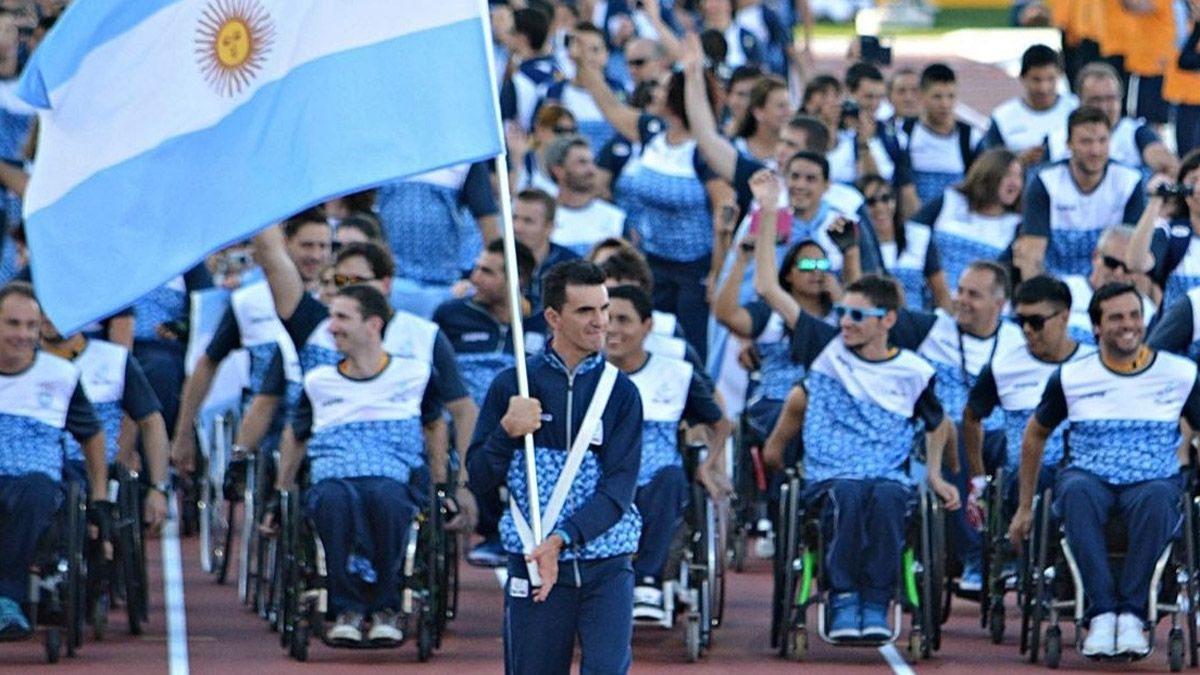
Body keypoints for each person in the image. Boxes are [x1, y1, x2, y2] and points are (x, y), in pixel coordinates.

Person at [467, 260, 644, 675]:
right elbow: (478, 476)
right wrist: (506, 433)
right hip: (531, 559)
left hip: (606, 561)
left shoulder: (621, 393)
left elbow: (619, 489)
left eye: (604, 308)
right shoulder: (513, 385)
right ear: (553, 317)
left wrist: (565, 537)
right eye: (586, 311)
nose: (602, 322)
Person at [1009, 282, 1200, 658]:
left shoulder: (1179, 373)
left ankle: (1131, 613)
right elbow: (1035, 435)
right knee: (1076, 492)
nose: (1127, 325)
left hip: (1153, 477)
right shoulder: (1072, 376)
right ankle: (1101, 613)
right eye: (1116, 318)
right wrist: (1025, 506)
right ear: (1097, 327)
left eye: (1134, 316)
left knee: (1161, 497)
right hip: (1089, 474)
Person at [760, 273, 948, 641]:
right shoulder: (826, 349)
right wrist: (768, 215)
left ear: (888, 320)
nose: (846, 321)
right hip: (830, 474)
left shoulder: (914, 371)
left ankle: (877, 601)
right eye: (843, 312)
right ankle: (843, 598)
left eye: (858, 315)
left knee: (889, 496)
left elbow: (938, 424)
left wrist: (936, 474)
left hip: (887, 474)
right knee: (846, 493)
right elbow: (768, 288)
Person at [252, 229, 478, 526]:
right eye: (341, 281)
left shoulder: (423, 336)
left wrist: (460, 483)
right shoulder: (318, 326)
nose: (347, 289)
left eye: (357, 281)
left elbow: (461, 410)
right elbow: (272, 259)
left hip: (403, 462)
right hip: (328, 456)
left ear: (385, 284)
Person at [284, 284, 443, 645]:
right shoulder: (318, 381)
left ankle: (387, 606)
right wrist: (282, 487)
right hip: (332, 474)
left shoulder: (415, 374)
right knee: (334, 501)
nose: (331, 326)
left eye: (342, 317)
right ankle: (347, 609)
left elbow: (435, 425)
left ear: (373, 324)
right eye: (331, 316)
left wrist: (443, 482)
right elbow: (296, 434)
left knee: (388, 499)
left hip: (393, 471)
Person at [604, 284, 729, 621]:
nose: (613, 328)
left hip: (658, 477)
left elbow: (720, 423)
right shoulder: (585, 373)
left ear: (647, 326)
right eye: (607, 318)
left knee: (672, 479)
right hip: (600, 475)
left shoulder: (676, 374)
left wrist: (709, 465)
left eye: (623, 320)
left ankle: (648, 580)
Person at [172, 209, 330, 473]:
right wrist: (184, 433)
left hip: (322, 418)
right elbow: (208, 363)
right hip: (263, 426)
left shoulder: (342, 307)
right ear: (286, 244)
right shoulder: (248, 301)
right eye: (307, 245)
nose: (316, 255)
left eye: (324, 246)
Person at [0, 282, 107, 638]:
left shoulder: (60, 377)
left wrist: (101, 497)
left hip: (34, 485)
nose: (23, 334)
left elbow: (91, 435)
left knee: (37, 491)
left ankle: (8, 598)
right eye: (12, 324)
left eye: (31, 326)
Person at [434, 238, 543, 568]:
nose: (475, 277)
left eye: (488, 272)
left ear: (518, 280)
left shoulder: (543, 319)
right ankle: (490, 524)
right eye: (477, 268)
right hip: (465, 415)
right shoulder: (450, 316)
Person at [961, 275, 1092, 535]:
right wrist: (978, 479)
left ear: (1064, 317)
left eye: (1036, 322)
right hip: (1023, 478)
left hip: (1082, 470)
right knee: (1042, 477)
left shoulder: (1094, 363)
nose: (1028, 330)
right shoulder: (1002, 368)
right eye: (1021, 322)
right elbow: (971, 417)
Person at [41, 317, 170, 533]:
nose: (50, 316)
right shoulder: (17, 367)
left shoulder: (115, 360)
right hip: (41, 474)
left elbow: (151, 422)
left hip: (97, 472)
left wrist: (158, 488)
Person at [1014, 106, 1145, 279]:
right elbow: (1033, 254)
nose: (1095, 151)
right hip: (1055, 284)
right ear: (1068, 144)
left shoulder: (1129, 181)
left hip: (1105, 283)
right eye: (1086, 142)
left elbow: (1131, 254)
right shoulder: (1046, 182)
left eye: (1102, 140)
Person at [907, 149, 1023, 298]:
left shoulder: (1017, 225)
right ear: (988, 174)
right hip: (932, 297)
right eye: (1008, 175)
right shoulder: (951, 200)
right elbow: (912, 234)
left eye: (1020, 176)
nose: (1016, 183)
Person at [1048, 62, 1178, 176]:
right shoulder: (1056, 139)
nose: (1103, 106)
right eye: (1095, 99)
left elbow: (1166, 163)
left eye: (1110, 98)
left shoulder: (1138, 133)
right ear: (1080, 101)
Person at [859, 173, 951, 312]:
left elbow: (941, 293)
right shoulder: (854, 244)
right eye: (871, 202)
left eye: (885, 199)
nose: (880, 207)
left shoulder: (919, 236)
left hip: (914, 322)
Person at [1126, 149, 1200, 311]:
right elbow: (1136, 263)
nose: (1199, 189)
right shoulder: (1169, 233)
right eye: (1193, 181)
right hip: (1180, 334)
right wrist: (1155, 201)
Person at [982, 44, 1078, 166]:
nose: (1044, 88)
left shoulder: (1076, 108)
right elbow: (989, 165)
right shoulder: (1002, 118)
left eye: (1050, 79)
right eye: (1036, 80)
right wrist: (1019, 161)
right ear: (1022, 77)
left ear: (1059, 76)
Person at [900, 63, 983, 204]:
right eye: (937, 97)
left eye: (951, 96)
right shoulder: (904, 132)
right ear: (921, 96)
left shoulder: (970, 137)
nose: (945, 104)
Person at [1061, 225, 1158, 345]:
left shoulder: (1146, 309)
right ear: (1096, 256)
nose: (1119, 273)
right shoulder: (1064, 291)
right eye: (1111, 263)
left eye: (1127, 268)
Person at [545, 134, 627, 257]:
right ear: (558, 170)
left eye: (592, 162)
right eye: (582, 163)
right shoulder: (542, 217)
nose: (591, 170)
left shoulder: (616, 218)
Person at [513, 188, 580, 308]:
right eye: (514, 218)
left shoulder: (572, 266)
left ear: (549, 227)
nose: (517, 227)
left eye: (528, 221)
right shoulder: (498, 258)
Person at [501, 6, 562, 132]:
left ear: (522, 39)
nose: (506, 36)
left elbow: (505, 126)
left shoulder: (518, 80)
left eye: (511, 31)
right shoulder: (560, 70)